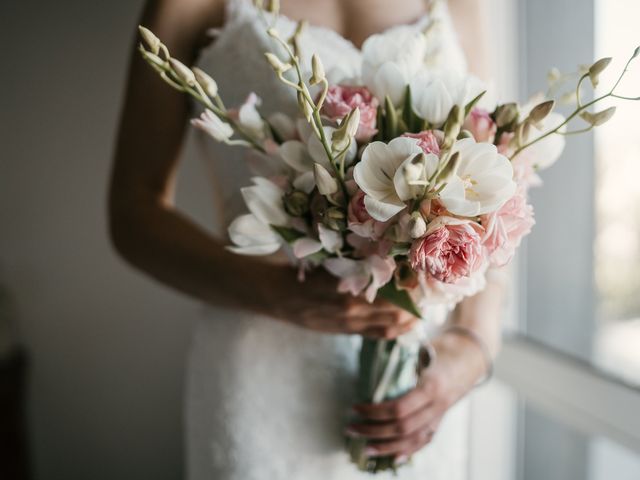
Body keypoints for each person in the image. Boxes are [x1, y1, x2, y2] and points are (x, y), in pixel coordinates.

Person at [109, 0, 504, 478]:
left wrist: (471, 348)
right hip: (261, 369)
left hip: (418, 384)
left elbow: (492, 187)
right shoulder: (189, 5)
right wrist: (278, 293)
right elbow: (132, 213)